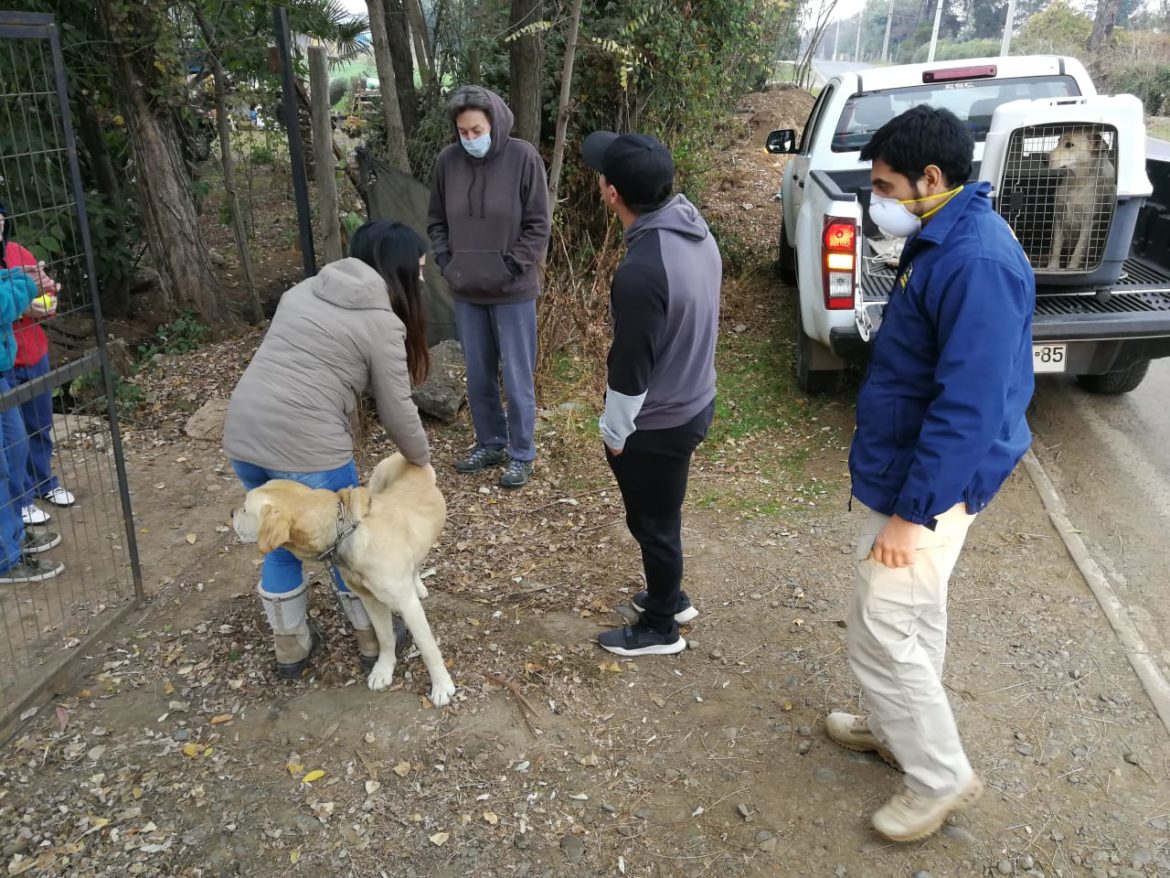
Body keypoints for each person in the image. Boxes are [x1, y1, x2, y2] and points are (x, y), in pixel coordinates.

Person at [825, 106, 1035, 842]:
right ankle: (898, 731)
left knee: (881, 628)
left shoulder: (974, 258)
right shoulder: (948, 234)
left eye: (883, 185)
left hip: (929, 485)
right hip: (913, 470)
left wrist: (914, 514)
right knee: (915, 611)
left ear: (932, 179)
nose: (875, 197)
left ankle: (939, 776)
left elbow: (969, 405)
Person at [223, 220, 433, 679]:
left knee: (278, 534)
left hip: (243, 430)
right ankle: (369, 636)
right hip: (308, 445)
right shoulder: (382, 323)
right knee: (344, 539)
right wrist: (421, 459)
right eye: (417, 270)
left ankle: (290, 645)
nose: (421, 280)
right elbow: (398, 411)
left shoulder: (301, 292)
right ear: (394, 271)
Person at [581, 131, 721, 657]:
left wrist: (615, 432)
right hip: (695, 397)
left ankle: (662, 627)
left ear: (611, 193)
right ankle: (671, 595)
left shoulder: (642, 271)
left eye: (602, 175)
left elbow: (630, 367)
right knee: (663, 514)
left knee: (653, 523)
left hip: (659, 420)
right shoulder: (693, 231)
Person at [427, 85, 551, 489]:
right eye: (463, 132)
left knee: (517, 376)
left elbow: (538, 224)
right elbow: (436, 222)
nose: (470, 139)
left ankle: (521, 452)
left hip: (513, 289)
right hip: (467, 290)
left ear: (494, 123)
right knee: (479, 375)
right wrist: (448, 263)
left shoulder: (523, 157)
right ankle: (491, 442)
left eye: (477, 130)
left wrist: (512, 265)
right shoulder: (447, 162)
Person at [1, 204, 76, 529]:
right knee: (13, 439)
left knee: (40, 424)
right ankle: (22, 500)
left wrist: (49, 301)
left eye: (1, 220)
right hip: (8, 362)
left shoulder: (20, 252)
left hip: (35, 353)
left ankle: (45, 482)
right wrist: (23, 309)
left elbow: (44, 288)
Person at [0, 264, 63, 585]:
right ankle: (5, 557)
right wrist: (24, 284)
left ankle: (14, 536)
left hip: (8, 368)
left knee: (16, 448)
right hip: (8, 369)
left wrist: (17, 280)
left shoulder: (10, 255)